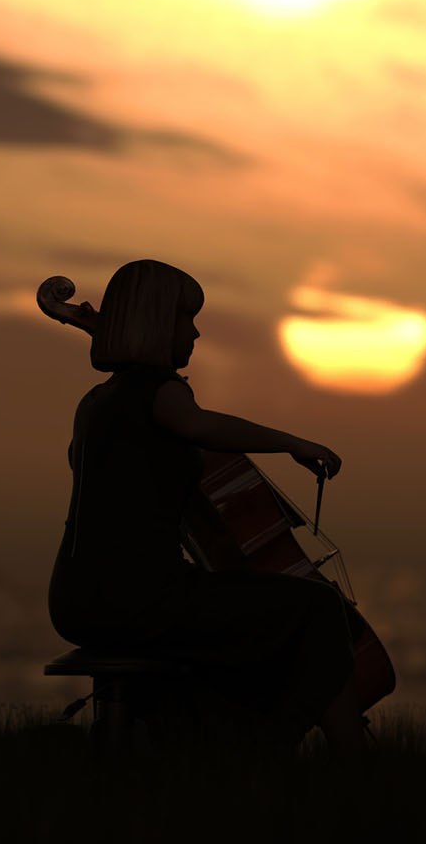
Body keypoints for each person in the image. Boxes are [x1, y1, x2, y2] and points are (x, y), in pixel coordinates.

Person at [49, 259, 362, 751]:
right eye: (184, 318)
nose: (195, 333)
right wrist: (292, 443)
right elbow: (198, 426)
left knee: (250, 614)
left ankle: (200, 732)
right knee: (320, 609)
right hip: (138, 596)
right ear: (157, 323)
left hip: (73, 599)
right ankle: (284, 748)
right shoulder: (160, 392)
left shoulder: (95, 403)